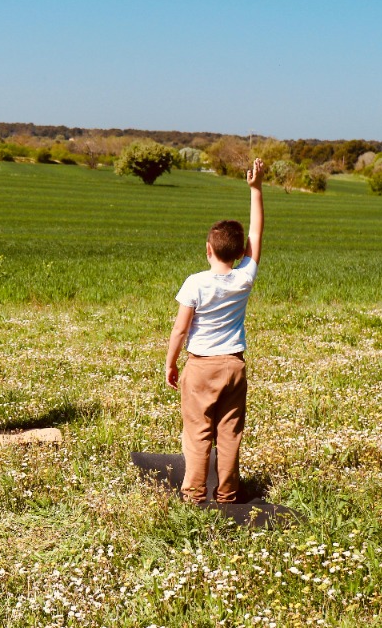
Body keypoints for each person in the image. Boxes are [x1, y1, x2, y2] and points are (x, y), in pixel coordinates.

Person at [164, 158, 265, 504]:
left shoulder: (196, 283)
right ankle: (227, 493)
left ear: (207, 250)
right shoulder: (244, 278)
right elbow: (255, 233)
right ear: (240, 253)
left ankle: (194, 495)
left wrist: (171, 362)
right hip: (234, 366)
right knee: (229, 433)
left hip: (201, 366)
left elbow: (180, 329)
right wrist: (255, 189)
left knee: (197, 432)